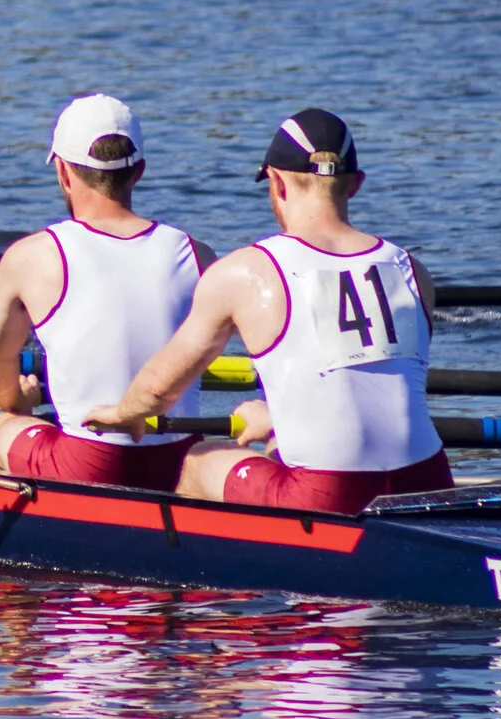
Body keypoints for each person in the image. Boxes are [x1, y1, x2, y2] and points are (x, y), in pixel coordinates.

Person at [82, 109, 452, 513]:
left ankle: (205, 572)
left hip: (328, 492)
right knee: (281, 443)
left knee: (196, 463)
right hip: (428, 479)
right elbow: (363, 384)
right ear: (356, 185)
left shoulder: (245, 272)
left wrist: (123, 413)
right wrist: (275, 419)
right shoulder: (413, 271)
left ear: (276, 182)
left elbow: (157, 389)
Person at [0, 94, 216, 489]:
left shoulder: (33, 256)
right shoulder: (198, 254)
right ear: (139, 172)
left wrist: (19, 406)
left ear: (63, 172)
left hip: (90, 464)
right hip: (179, 461)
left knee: (4, 432)